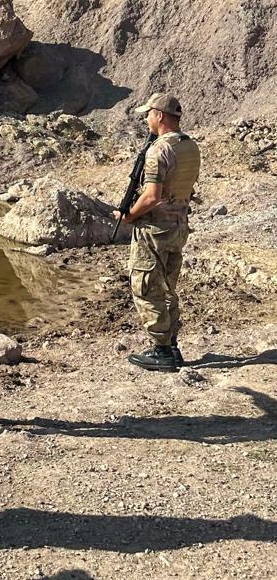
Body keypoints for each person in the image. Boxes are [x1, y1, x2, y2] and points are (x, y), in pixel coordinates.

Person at [113, 93, 201, 373]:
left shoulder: (158, 151)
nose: (146, 119)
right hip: (178, 226)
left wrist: (129, 215)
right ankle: (172, 345)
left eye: (149, 114)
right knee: (168, 286)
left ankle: (161, 350)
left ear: (160, 116)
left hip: (155, 229)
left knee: (147, 285)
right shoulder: (189, 146)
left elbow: (151, 196)